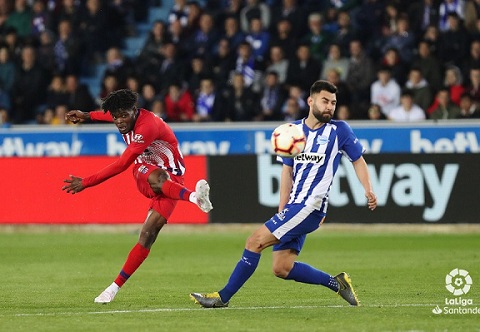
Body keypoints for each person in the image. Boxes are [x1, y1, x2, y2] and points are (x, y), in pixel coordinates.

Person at [190, 80, 377, 308]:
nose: (330, 107)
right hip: (294, 207)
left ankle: (221, 297)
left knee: (254, 241)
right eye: (325, 101)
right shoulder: (292, 131)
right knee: (282, 267)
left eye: (333, 103)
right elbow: (287, 172)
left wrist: (368, 189)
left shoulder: (339, 131)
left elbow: (358, 161)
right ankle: (337, 283)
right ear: (310, 101)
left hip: (311, 206)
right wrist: (283, 210)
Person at [62, 89, 213, 304]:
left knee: (147, 236)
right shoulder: (122, 117)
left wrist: (86, 182)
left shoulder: (147, 126)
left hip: (173, 179)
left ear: (135, 111)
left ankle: (112, 289)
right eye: (116, 117)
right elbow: (107, 114)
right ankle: (195, 198)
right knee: (157, 177)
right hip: (145, 171)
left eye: (124, 115)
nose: (119, 121)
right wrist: (86, 115)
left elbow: (121, 164)